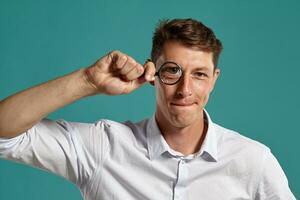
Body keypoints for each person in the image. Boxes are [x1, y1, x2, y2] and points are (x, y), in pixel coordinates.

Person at [0, 18, 296, 200]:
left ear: (214, 80)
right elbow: (4, 135)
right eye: (172, 71)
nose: (185, 89)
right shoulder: (103, 147)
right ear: (152, 73)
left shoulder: (253, 162)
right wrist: (88, 80)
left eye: (199, 74)